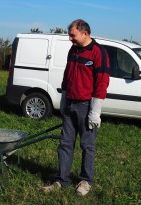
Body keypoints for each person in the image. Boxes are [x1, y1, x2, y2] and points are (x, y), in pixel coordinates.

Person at [42, 19, 110, 196]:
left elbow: (102, 83)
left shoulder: (98, 52)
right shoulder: (73, 50)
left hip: (87, 106)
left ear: (84, 33)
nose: (70, 38)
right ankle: (61, 180)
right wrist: (64, 99)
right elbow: (67, 75)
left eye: (72, 35)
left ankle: (86, 181)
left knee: (87, 145)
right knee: (65, 144)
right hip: (70, 103)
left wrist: (95, 111)